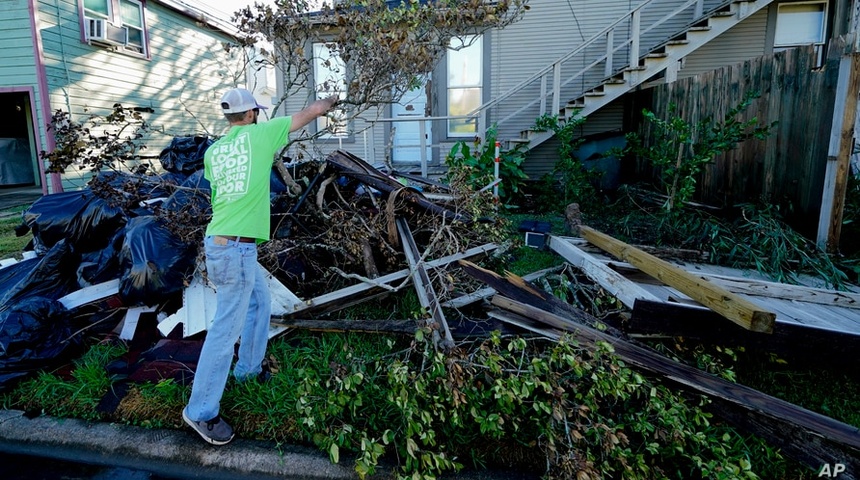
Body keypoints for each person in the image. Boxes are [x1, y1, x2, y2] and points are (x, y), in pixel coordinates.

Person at [182, 88, 338, 445]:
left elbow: (223, 192)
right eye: (258, 111)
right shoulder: (261, 134)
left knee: (259, 303)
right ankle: (201, 411)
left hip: (228, 245)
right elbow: (310, 112)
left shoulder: (214, 151)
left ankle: (248, 371)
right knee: (224, 332)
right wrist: (331, 102)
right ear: (251, 114)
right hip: (233, 251)